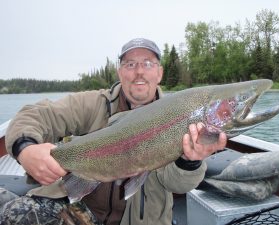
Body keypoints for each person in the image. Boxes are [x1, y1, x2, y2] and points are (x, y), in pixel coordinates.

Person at [0, 38, 227, 225]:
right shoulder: (93, 103)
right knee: (15, 215)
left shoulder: (181, 116)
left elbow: (177, 185)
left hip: (141, 221)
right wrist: (25, 149)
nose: (139, 72)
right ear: (120, 72)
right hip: (81, 211)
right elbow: (35, 114)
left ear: (159, 73)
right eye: (130, 64)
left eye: (148, 63)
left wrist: (190, 161)